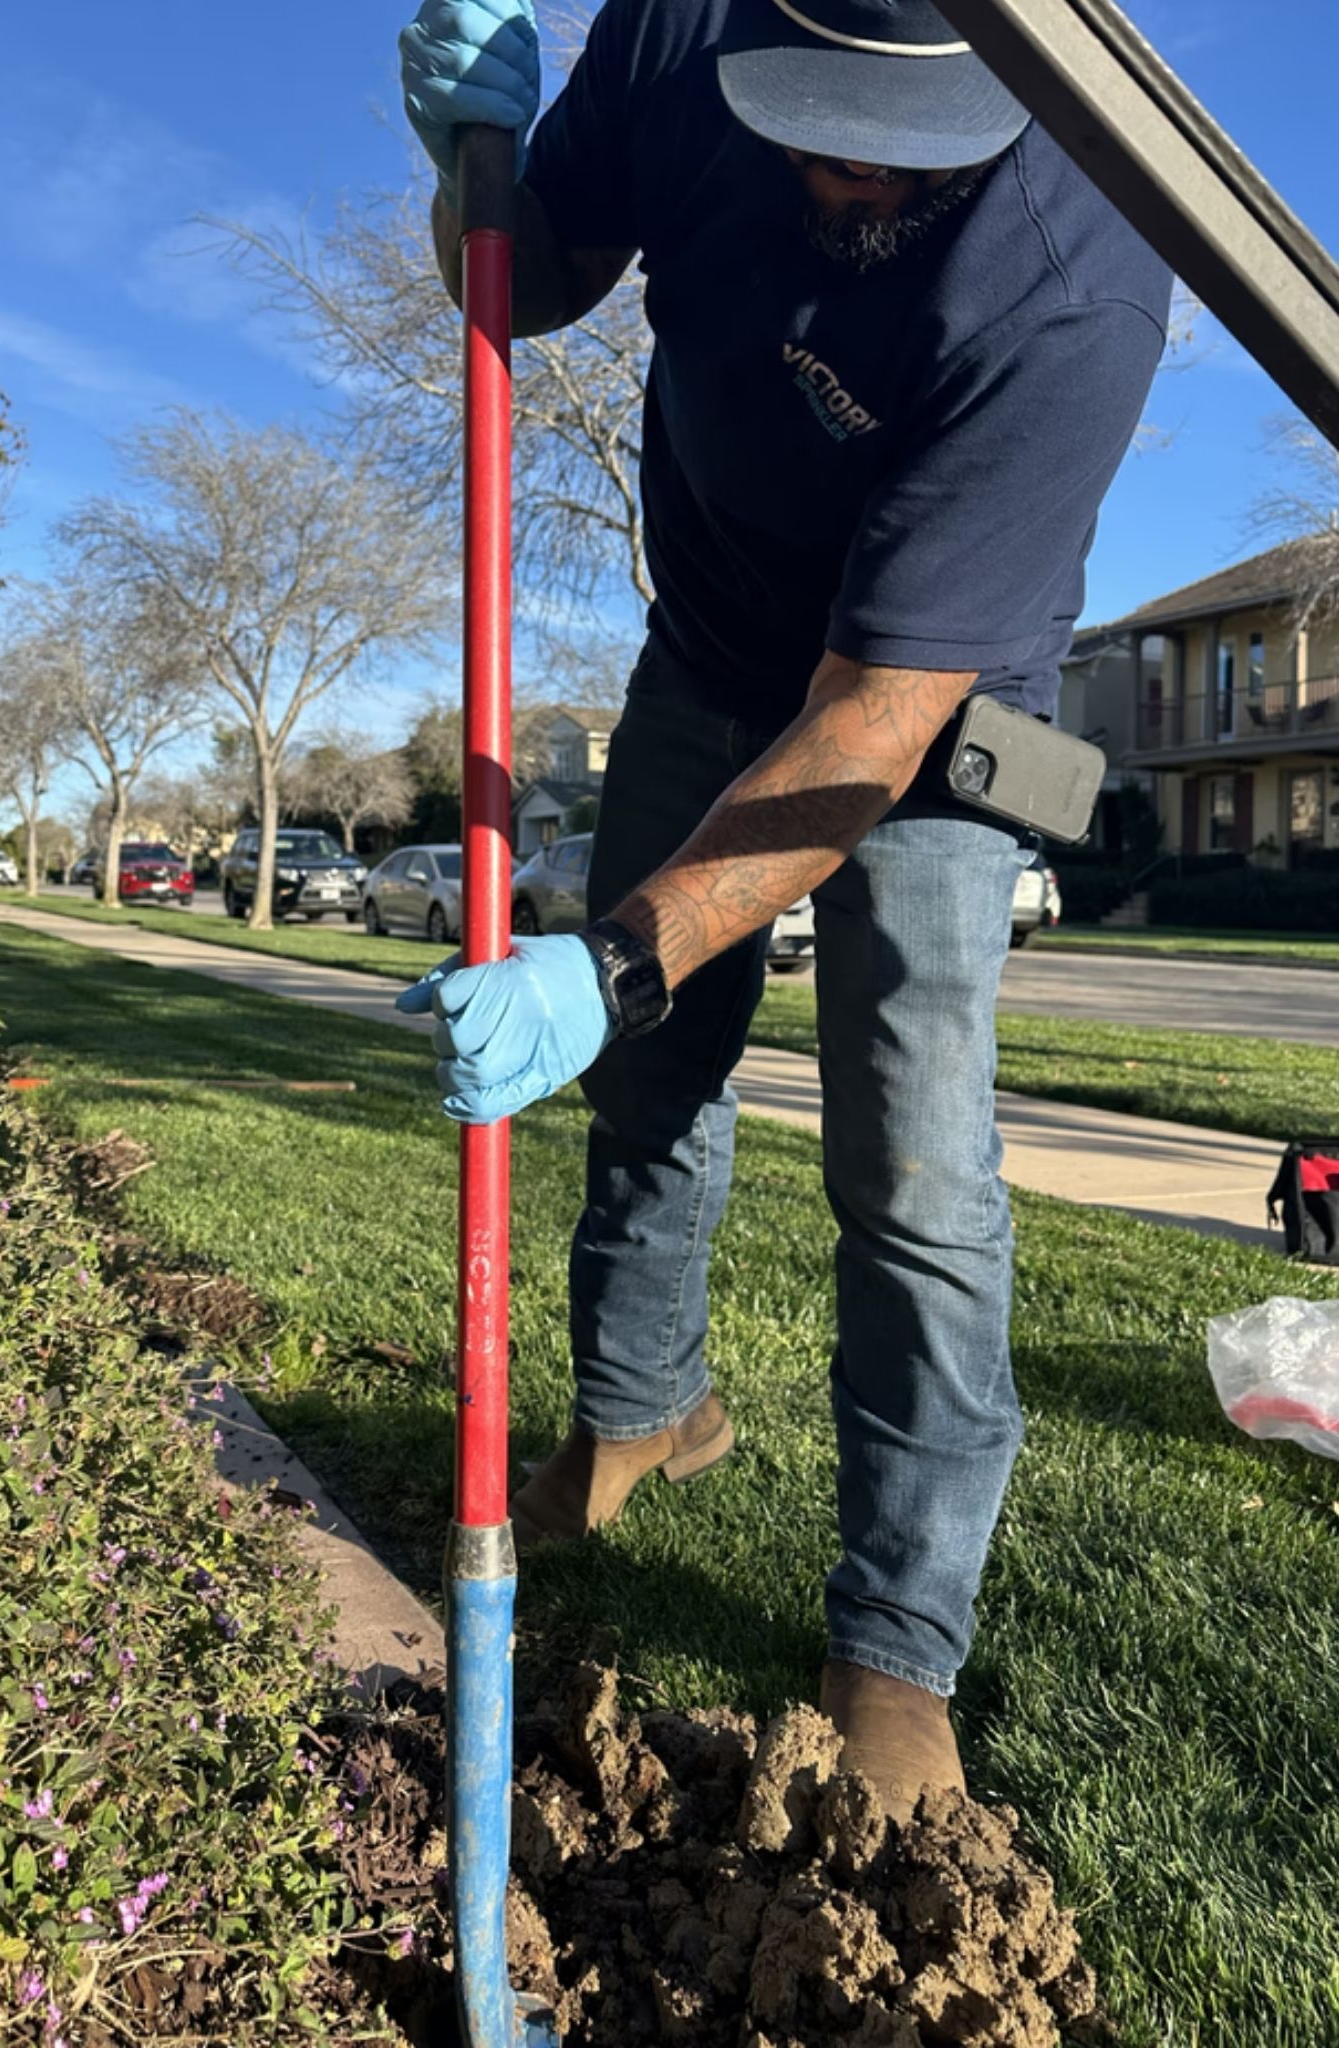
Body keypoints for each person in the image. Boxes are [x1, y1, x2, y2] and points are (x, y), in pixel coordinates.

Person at [398, 0, 1171, 1821]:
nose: (840, 171)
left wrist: (618, 955)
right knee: (648, 1088)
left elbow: (874, 719)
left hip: (925, 710)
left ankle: (896, 1643)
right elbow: (524, 290)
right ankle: (642, 1410)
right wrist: (470, 175)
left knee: (911, 1170)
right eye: (811, 121)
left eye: (894, 140)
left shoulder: (1083, 255)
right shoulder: (679, 25)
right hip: (709, 648)